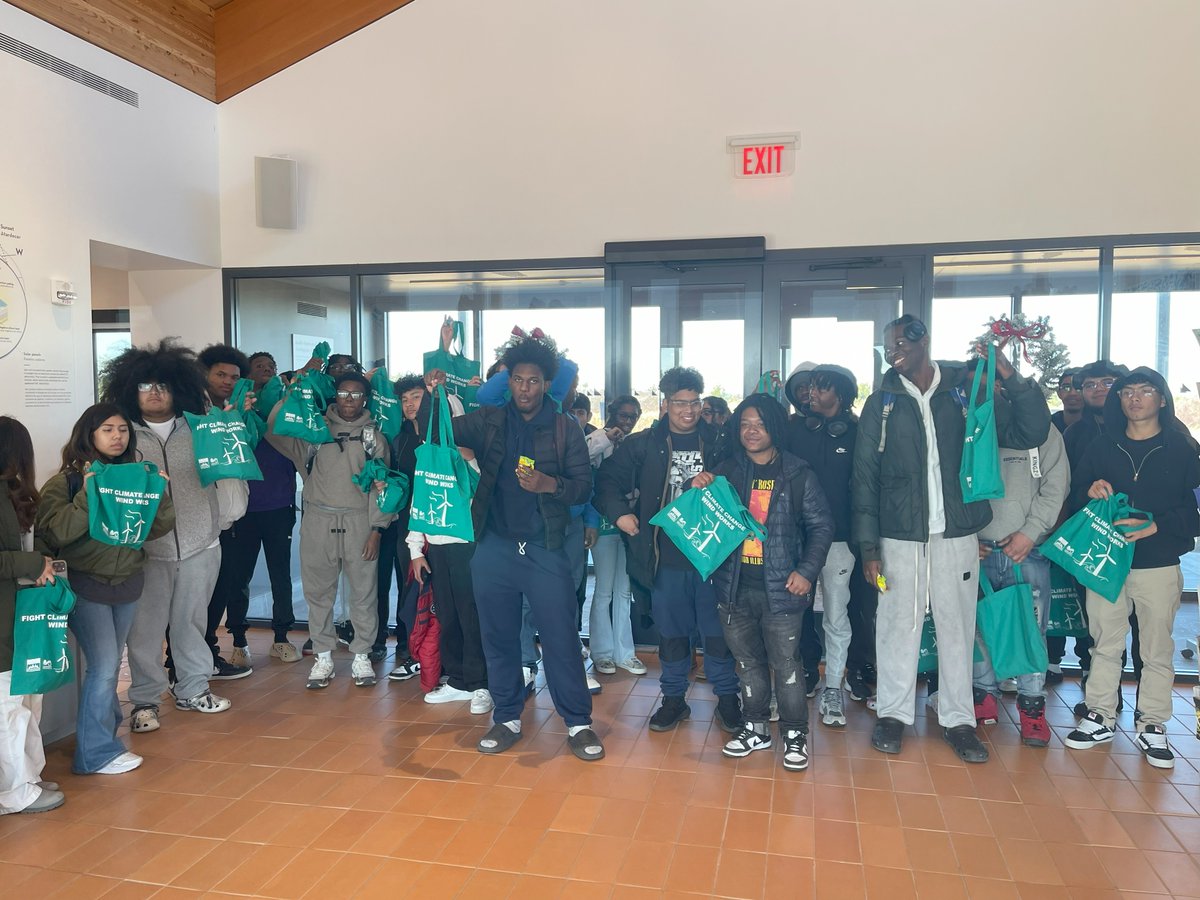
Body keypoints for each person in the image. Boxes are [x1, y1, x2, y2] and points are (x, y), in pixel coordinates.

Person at [852, 316, 1050, 763]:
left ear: (924, 341)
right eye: (889, 345)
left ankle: (959, 719)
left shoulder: (966, 390)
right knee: (896, 623)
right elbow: (863, 478)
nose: (894, 351)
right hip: (897, 535)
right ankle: (893, 714)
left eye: (901, 342)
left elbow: (1029, 431)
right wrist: (868, 548)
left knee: (958, 626)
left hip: (958, 532)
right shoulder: (881, 402)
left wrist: (1008, 377)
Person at [447, 334, 603, 760]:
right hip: (494, 548)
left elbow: (582, 487)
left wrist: (547, 484)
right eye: (516, 380)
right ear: (508, 381)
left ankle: (578, 723)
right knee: (497, 638)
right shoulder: (490, 420)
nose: (524, 389)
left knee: (560, 639)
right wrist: (435, 390)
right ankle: (507, 718)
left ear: (546, 384)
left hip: (545, 550)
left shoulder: (564, 428)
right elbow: (439, 426)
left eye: (533, 381)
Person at [102, 340, 244, 731]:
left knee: (192, 623)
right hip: (145, 550)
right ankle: (145, 701)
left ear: (178, 387)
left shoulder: (202, 424)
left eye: (162, 385)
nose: (154, 393)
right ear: (130, 388)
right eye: (145, 385)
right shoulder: (121, 436)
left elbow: (230, 467)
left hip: (201, 542)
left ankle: (193, 689)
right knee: (144, 630)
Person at [1063, 368, 1200, 769]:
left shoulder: (1184, 449)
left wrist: (1160, 524)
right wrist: (1087, 491)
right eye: (1127, 392)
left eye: (1145, 391)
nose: (1134, 398)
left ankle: (1153, 724)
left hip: (1158, 564)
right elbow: (1074, 497)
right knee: (1104, 641)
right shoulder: (1103, 446)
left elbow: (1197, 512)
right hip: (1107, 562)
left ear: (1161, 399)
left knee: (1156, 648)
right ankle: (1100, 715)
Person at [595, 367, 740, 733]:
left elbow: (741, 480)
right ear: (665, 404)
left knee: (717, 635)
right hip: (664, 559)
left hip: (712, 558)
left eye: (694, 403)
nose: (688, 410)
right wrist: (621, 514)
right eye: (680, 403)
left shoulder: (721, 441)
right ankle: (674, 700)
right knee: (672, 635)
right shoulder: (643, 444)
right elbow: (605, 482)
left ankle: (728, 700)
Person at [36, 404, 176, 775]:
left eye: (123, 430)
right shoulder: (65, 481)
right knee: (102, 667)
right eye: (107, 430)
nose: (117, 437)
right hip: (85, 583)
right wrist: (88, 493)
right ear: (89, 435)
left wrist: (158, 492)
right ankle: (95, 754)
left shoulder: (133, 474)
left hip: (127, 582)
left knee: (110, 665)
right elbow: (56, 533)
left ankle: (104, 740)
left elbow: (156, 529)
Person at [699, 395, 833, 771]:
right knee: (747, 663)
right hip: (734, 586)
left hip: (782, 589)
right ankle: (756, 728)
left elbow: (822, 526)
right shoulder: (726, 472)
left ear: (774, 426)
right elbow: (703, 517)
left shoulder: (797, 474)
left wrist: (806, 571)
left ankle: (794, 734)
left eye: (758, 423)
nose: (751, 431)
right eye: (744, 423)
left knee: (787, 665)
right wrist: (701, 484)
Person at [267, 369, 394, 689]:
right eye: (344, 394)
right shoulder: (315, 430)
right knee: (318, 592)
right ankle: (323, 655)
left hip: (359, 521)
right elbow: (274, 430)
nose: (349, 401)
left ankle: (361, 654)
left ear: (365, 399)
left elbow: (383, 487)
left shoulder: (373, 437)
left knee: (363, 594)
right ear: (334, 396)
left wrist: (377, 529)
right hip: (318, 520)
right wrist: (291, 396)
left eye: (356, 395)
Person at [965, 359, 1069, 748]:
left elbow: (1056, 486)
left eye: (993, 384)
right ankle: (984, 696)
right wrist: (964, 537)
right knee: (978, 630)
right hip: (976, 549)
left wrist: (1029, 533)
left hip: (1026, 550)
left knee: (1030, 630)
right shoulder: (966, 429)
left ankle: (1031, 705)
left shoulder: (1041, 430)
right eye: (977, 386)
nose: (986, 392)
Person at [788, 364, 873, 726]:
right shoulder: (794, 430)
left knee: (837, 617)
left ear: (840, 395)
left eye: (820, 389)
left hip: (840, 543)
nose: (811, 394)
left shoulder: (857, 434)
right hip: (796, 539)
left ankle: (834, 688)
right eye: (808, 389)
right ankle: (798, 675)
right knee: (792, 613)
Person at [218, 351, 301, 664]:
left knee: (281, 576)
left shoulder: (282, 412)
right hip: (243, 511)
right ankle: (238, 640)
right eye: (259, 366)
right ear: (247, 375)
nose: (267, 369)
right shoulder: (236, 411)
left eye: (272, 365)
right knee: (238, 578)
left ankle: (281, 638)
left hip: (280, 507)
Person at [0, 416, 65, 814]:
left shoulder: (17, 493)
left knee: (28, 700)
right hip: (4, 617)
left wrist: (42, 556)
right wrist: (31, 560)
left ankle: (30, 775)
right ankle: (15, 790)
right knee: (9, 707)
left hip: (25, 612)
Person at [199, 344, 255, 677]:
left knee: (221, 592)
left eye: (234, 376)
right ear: (204, 374)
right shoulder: (193, 417)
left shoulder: (234, 412)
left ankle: (208, 654)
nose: (228, 381)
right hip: (204, 524)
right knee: (197, 600)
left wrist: (243, 418)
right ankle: (187, 663)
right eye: (220, 374)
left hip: (232, 522)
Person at [586, 395, 645, 676]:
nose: (628, 421)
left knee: (624, 590)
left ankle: (625, 653)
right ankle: (602, 653)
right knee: (604, 589)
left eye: (633, 417)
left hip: (629, 521)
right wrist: (607, 438)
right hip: (603, 523)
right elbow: (584, 462)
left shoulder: (634, 445)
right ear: (611, 413)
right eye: (624, 415)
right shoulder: (598, 437)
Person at [383, 374, 428, 682]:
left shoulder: (443, 434)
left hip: (440, 523)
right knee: (409, 586)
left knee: (440, 589)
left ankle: (439, 655)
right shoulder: (398, 438)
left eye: (416, 397)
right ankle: (410, 650)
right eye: (405, 399)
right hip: (406, 526)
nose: (410, 404)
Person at [1050, 367, 1083, 435]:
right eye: (1066, 388)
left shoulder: (1099, 426)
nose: (1072, 393)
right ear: (1059, 393)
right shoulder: (1047, 425)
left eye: (1078, 388)